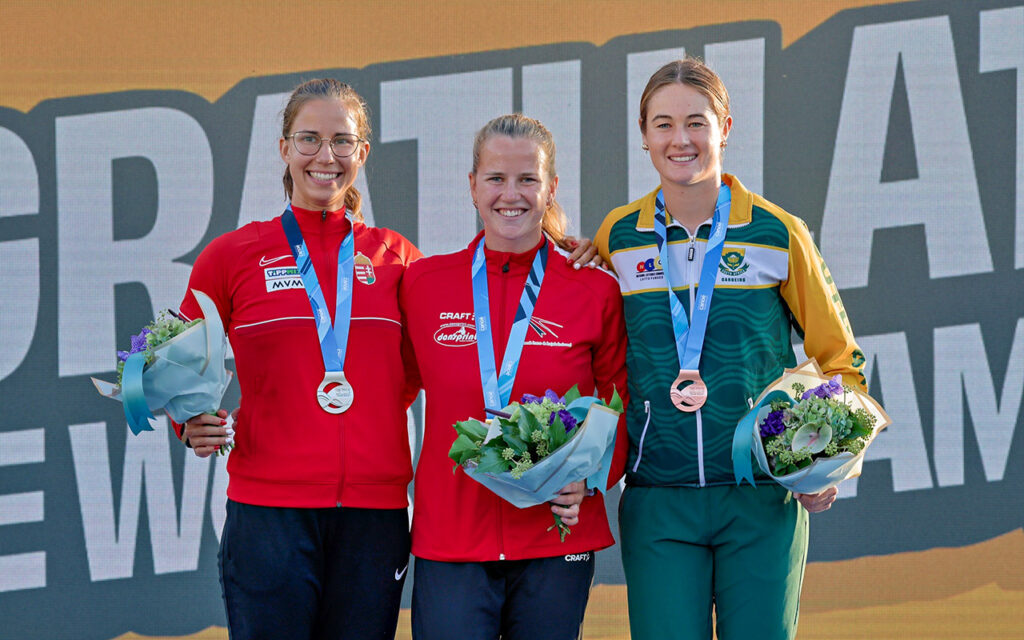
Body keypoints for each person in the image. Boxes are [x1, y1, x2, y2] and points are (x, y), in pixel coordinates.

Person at [175, 80, 601, 639]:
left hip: (374, 518)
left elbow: (457, 363)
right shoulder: (232, 256)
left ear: (362, 154)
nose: (325, 157)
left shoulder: (402, 263)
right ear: (284, 148)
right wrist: (189, 420)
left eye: (342, 141)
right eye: (308, 139)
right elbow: (178, 359)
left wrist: (570, 254)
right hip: (268, 512)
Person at [593, 57, 867, 640]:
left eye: (696, 121)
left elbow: (840, 359)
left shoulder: (776, 231)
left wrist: (827, 463)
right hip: (659, 499)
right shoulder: (616, 238)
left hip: (761, 500)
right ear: (644, 136)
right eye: (663, 124)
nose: (680, 139)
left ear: (725, 127)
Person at [400, 113, 629, 640]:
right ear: (473, 186)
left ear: (550, 188)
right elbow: (386, 392)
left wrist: (591, 479)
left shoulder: (593, 289)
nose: (512, 194)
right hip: (452, 536)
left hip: (555, 535)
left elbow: (622, 403)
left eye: (528, 179)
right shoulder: (424, 284)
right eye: (496, 178)